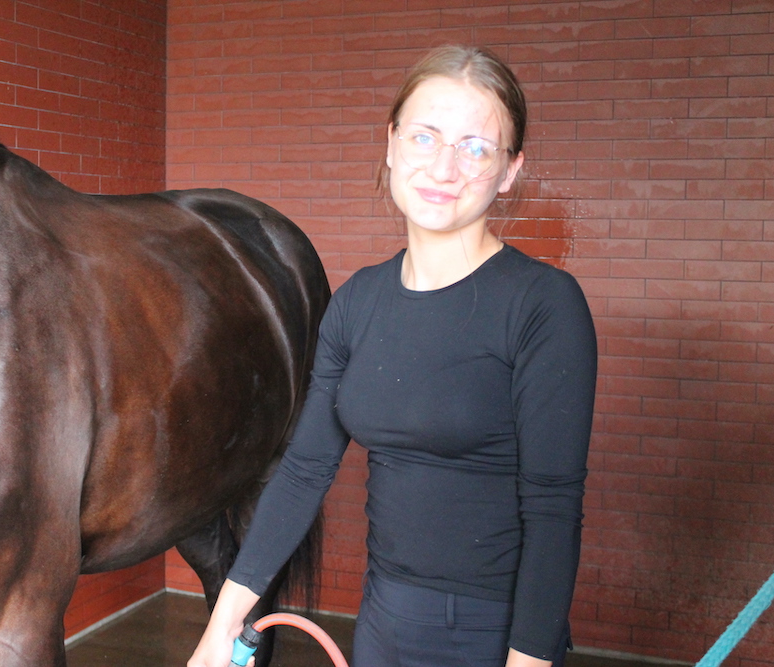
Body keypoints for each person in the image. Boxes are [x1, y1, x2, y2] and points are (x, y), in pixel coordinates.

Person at [188, 44, 597, 667]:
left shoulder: (543, 305)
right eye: (424, 137)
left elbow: (553, 509)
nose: (444, 167)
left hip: (492, 631)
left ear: (509, 171)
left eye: (476, 148)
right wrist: (220, 629)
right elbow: (303, 472)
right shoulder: (358, 302)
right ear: (391, 143)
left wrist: (529, 660)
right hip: (381, 616)